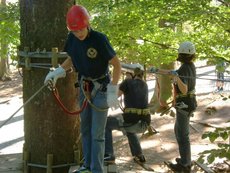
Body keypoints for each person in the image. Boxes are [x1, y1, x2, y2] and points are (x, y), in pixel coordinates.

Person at [44, 5, 121, 173]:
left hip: (101, 88)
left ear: (87, 24)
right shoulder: (72, 39)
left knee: (97, 134)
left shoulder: (99, 39)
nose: (78, 34)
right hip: (84, 87)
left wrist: (113, 90)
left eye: (80, 30)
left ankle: (97, 170)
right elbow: (72, 58)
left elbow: (116, 65)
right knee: (85, 129)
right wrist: (58, 72)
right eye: (74, 31)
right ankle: (87, 165)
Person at [150, 41, 197, 173]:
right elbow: (173, 72)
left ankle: (185, 164)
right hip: (188, 103)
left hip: (185, 104)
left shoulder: (184, 69)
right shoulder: (189, 66)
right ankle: (185, 160)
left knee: (182, 135)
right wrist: (158, 71)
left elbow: (184, 89)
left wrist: (177, 78)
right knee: (179, 132)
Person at [104, 65, 150, 165]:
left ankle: (109, 155)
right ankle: (139, 155)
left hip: (132, 123)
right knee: (129, 127)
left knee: (106, 123)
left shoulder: (127, 82)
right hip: (144, 124)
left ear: (131, 74)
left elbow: (114, 97)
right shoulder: (145, 85)